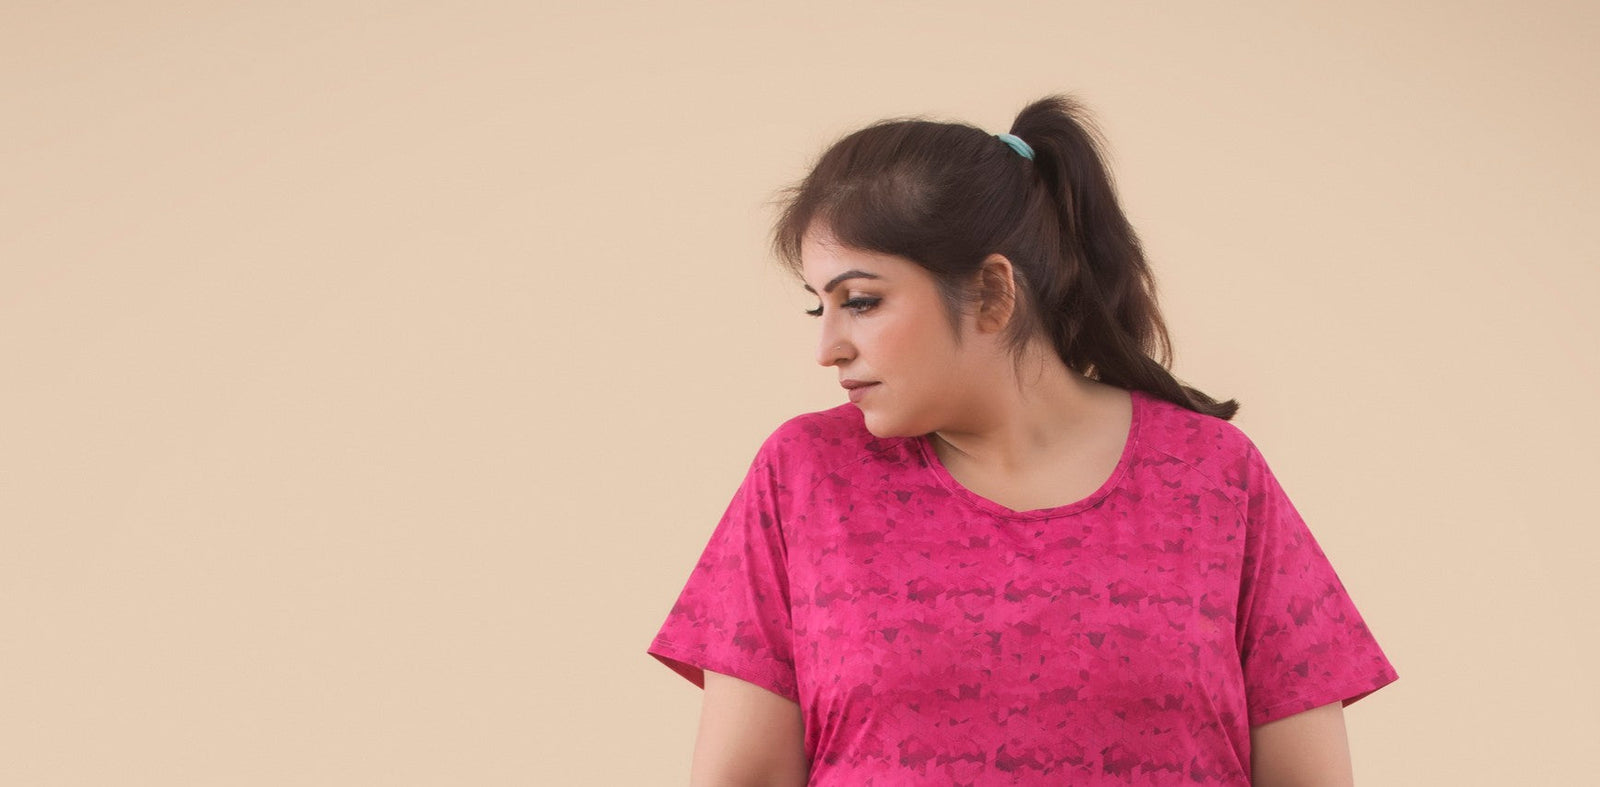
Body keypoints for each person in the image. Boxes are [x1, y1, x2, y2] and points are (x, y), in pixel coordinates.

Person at [647, 94, 1397, 786]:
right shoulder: (806, 476)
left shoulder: (1214, 477)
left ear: (993, 291)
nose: (831, 347)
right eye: (822, 309)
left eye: (863, 301)